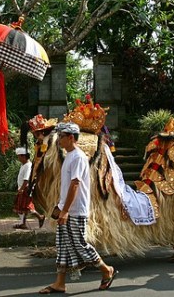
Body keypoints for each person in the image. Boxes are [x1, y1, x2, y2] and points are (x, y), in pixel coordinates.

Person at [39, 122, 118, 294]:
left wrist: (65, 211)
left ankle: (106, 270)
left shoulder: (78, 157)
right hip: (66, 209)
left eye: (61, 136)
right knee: (62, 246)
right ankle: (60, 283)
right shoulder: (70, 156)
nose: (59, 139)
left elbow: (75, 184)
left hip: (75, 211)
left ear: (71, 138)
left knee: (80, 244)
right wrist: (61, 208)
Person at [13, 147, 45, 229]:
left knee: (27, 207)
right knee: (21, 207)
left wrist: (22, 189)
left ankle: (40, 217)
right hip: (23, 188)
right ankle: (23, 223)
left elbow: (26, 179)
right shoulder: (24, 165)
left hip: (26, 189)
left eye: (19, 156)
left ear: (23, 156)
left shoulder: (28, 166)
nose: (18, 158)